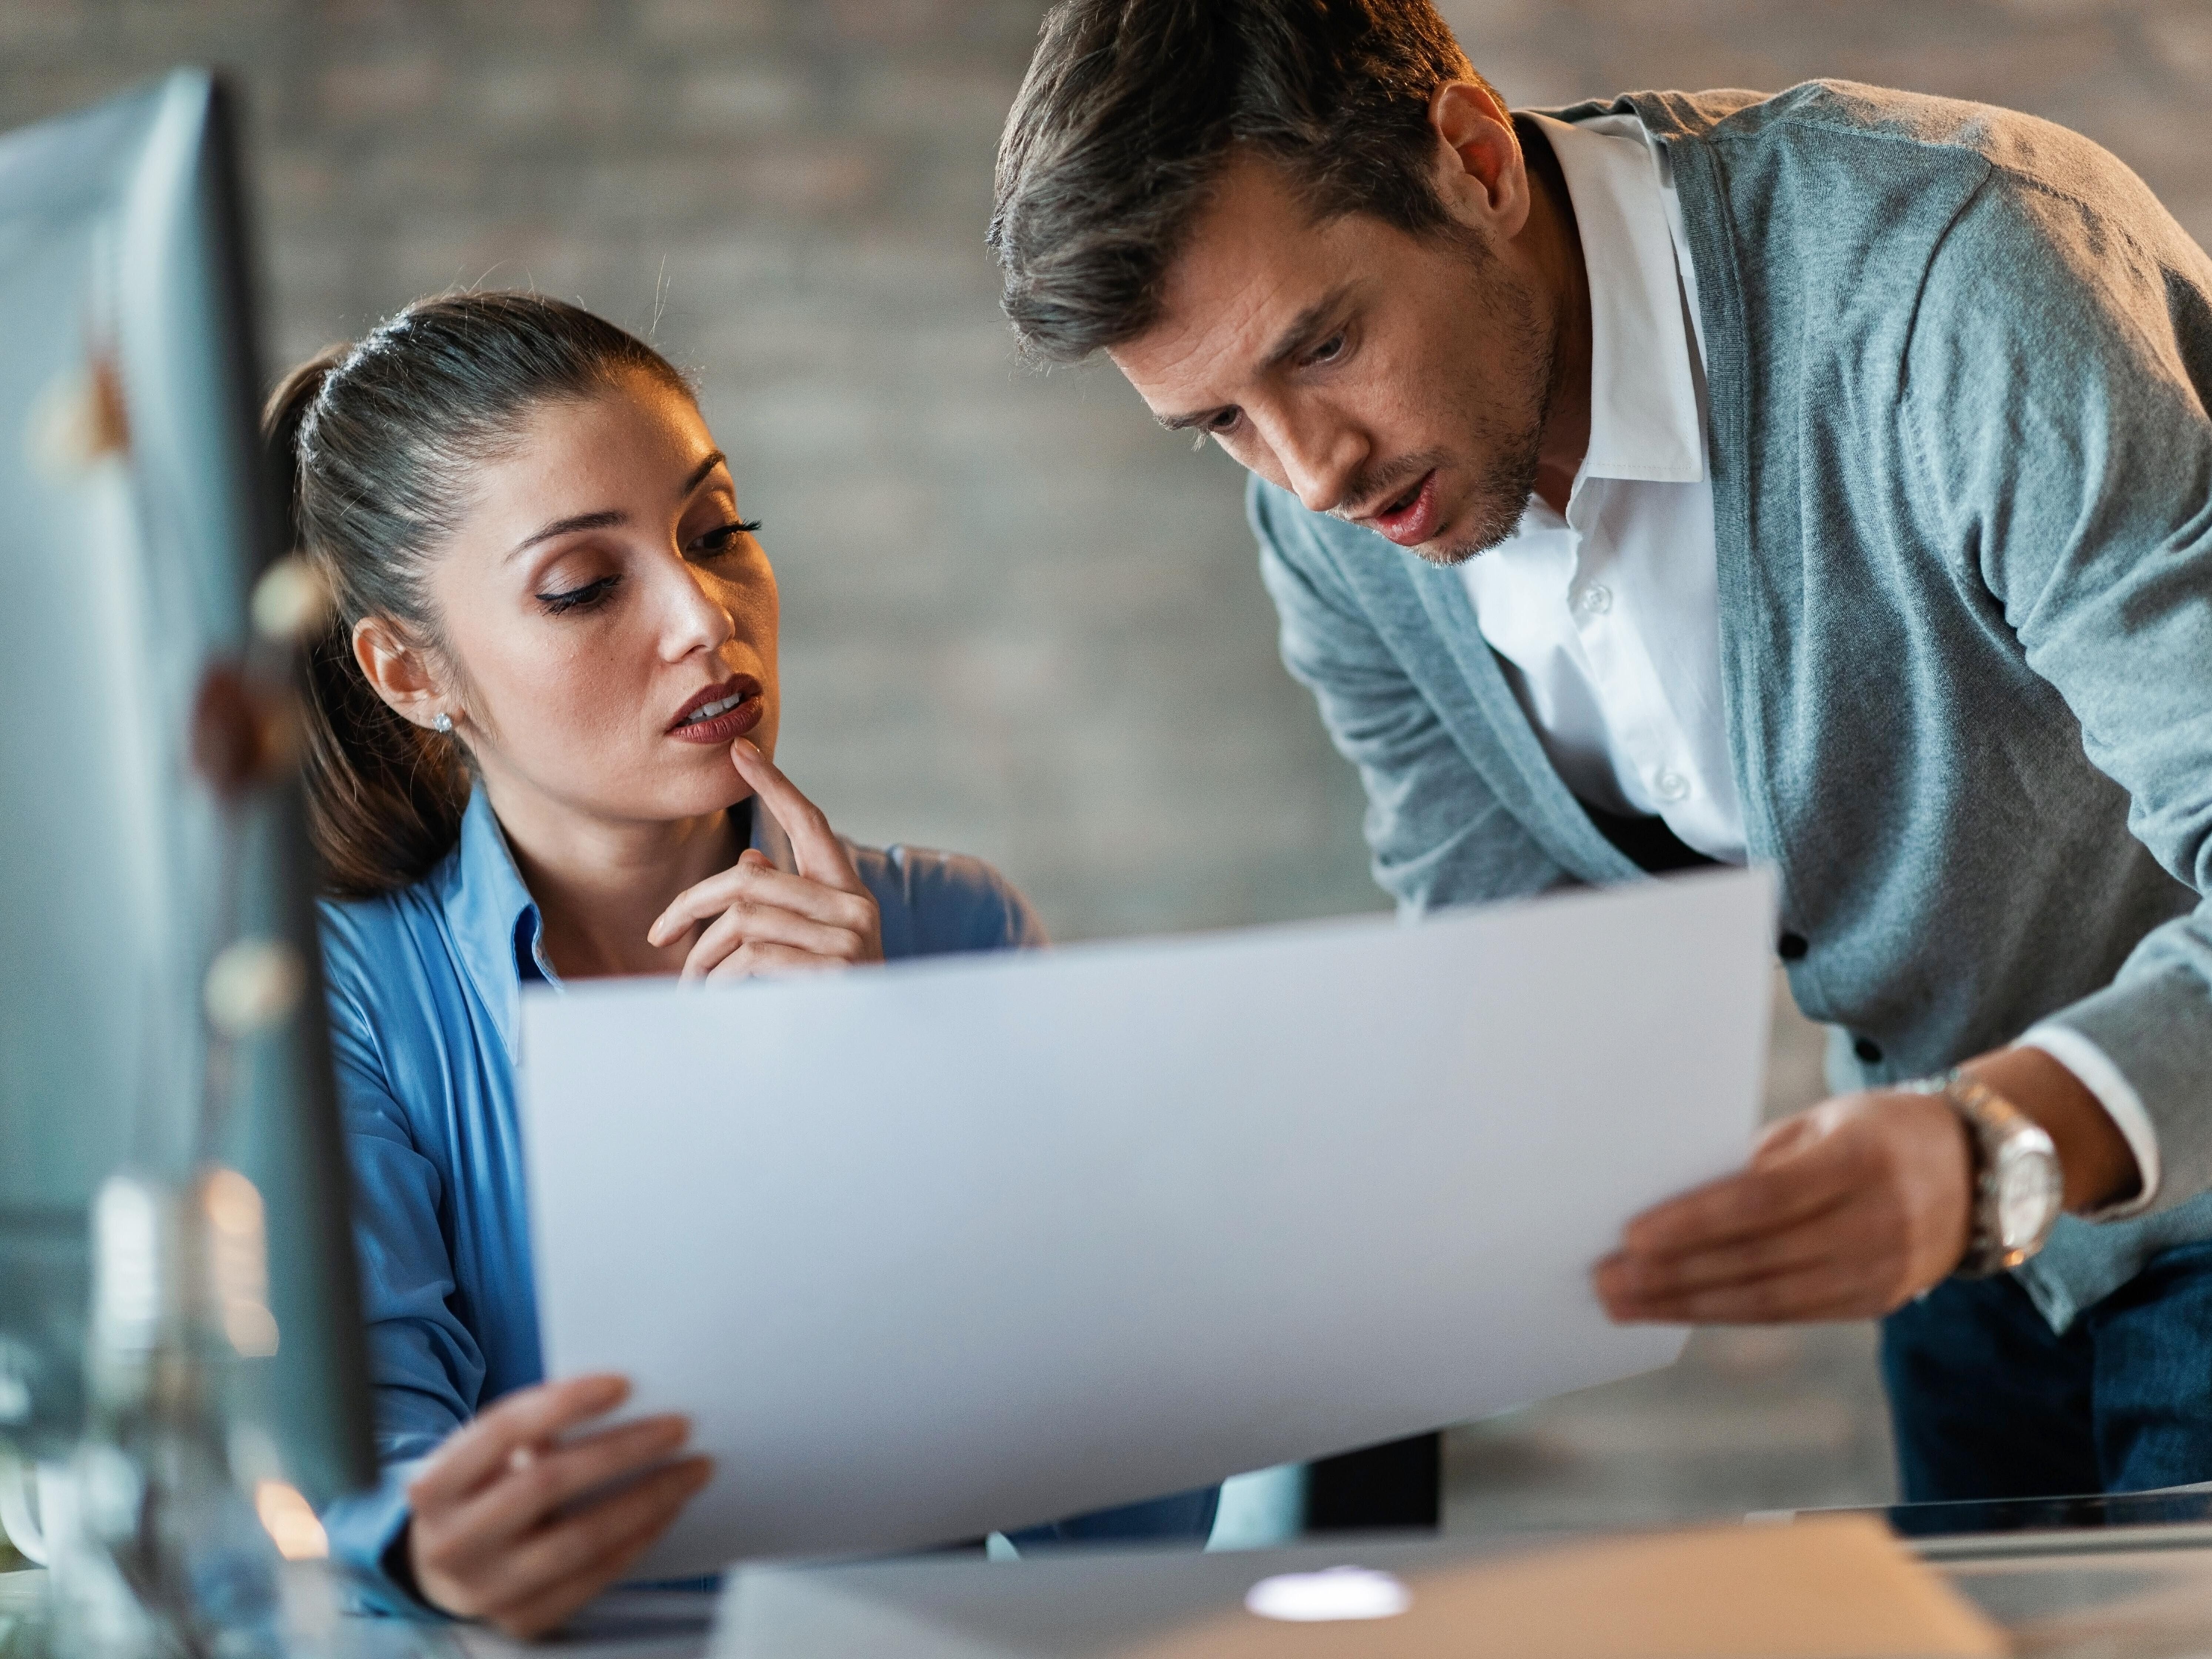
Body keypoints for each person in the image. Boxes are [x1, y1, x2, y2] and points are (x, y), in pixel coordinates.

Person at [989, 0, 2212, 1505]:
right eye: (1220, 425)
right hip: (1965, 1246)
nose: (1310, 471)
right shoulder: (1343, 543)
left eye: (1325, 342)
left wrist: (1990, 1154)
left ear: (1475, 158)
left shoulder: (1959, 278)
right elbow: (1524, 985)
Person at [279, 294, 1216, 1635]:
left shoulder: (953, 931)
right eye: (585, 586)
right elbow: (370, 1513)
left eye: (717, 534)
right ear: (413, 672)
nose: (703, 617)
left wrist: (884, 1100)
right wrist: (429, 1551)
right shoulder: (352, 995)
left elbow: (1137, 1529)